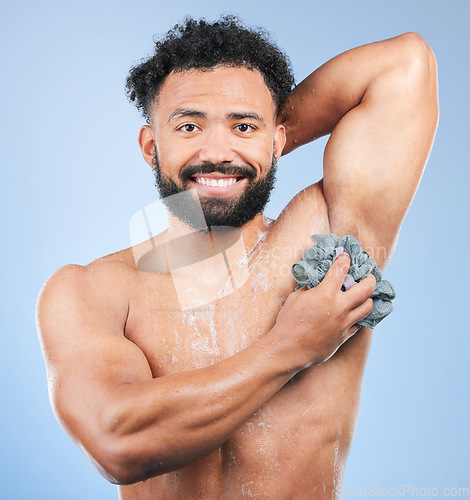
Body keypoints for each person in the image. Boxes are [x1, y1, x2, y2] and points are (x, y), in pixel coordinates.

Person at [36, 16, 438, 499]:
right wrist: (290, 346)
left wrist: (254, 138)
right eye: (189, 126)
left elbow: (403, 65)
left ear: (279, 140)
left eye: (242, 126)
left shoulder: (331, 233)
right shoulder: (90, 290)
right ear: (151, 146)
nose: (217, 151)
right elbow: (117, 443)